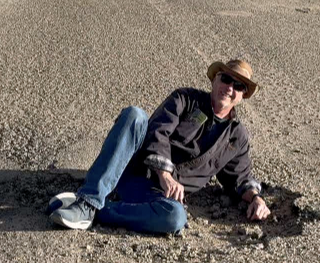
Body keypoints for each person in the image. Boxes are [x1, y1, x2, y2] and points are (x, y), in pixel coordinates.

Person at [50, 59, 271, 234]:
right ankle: (89, 200)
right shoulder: (185, 99)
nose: (230, 88)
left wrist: (256, 199)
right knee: (135, 115)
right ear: (215, 80)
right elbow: (158, 131)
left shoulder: (236, 136)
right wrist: (165, 173)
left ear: (242, 96)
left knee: (175, 217)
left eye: (238, 86)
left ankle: (94, 210)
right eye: (226, 79)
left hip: (153, 196)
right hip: (129, 172)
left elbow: (240, 178)